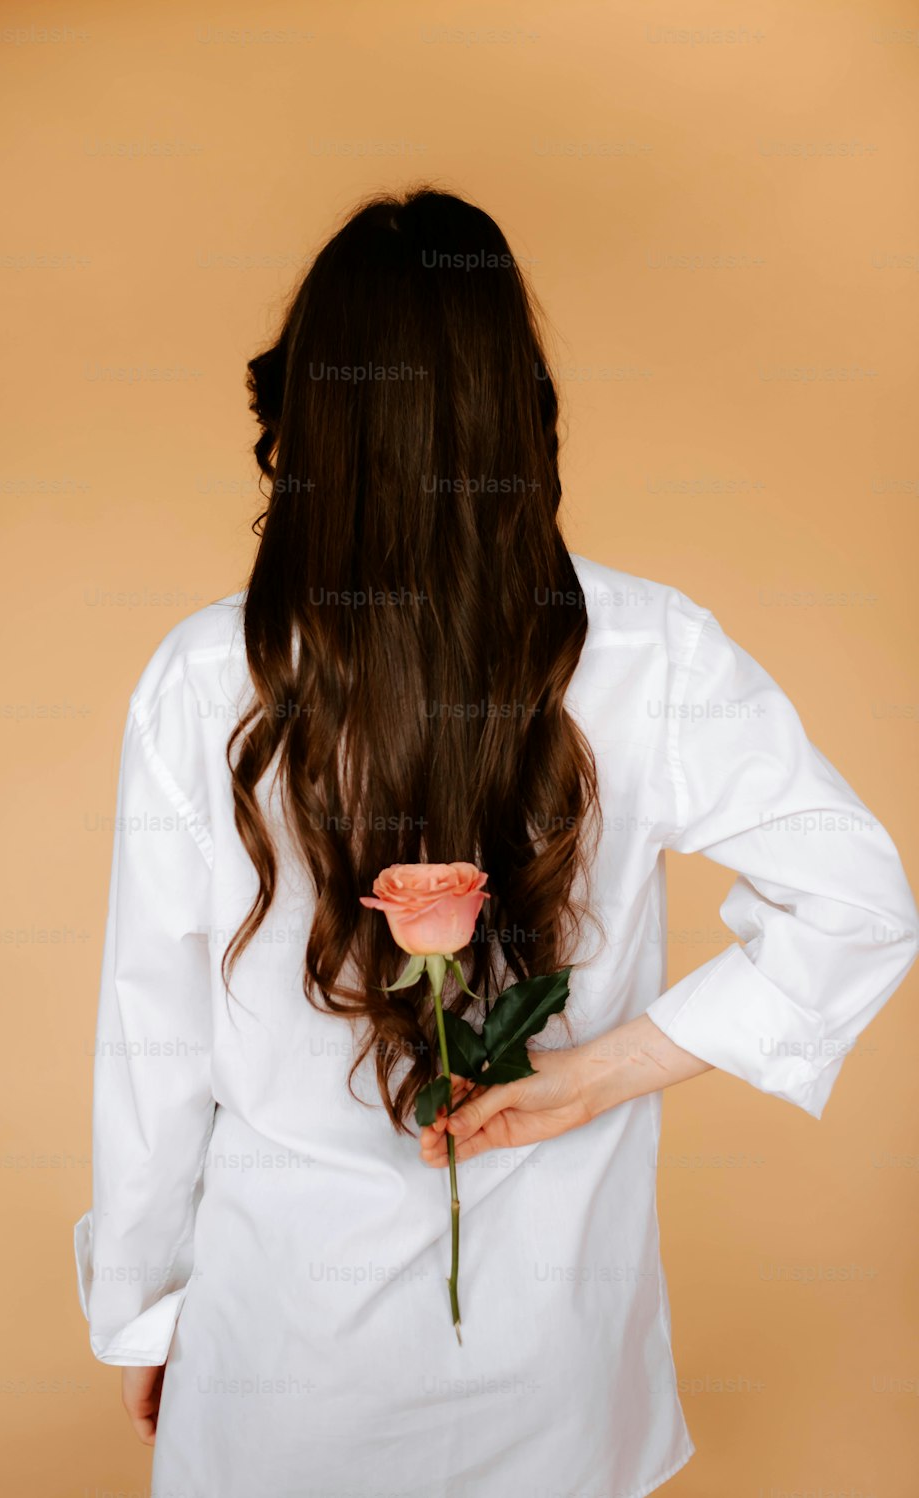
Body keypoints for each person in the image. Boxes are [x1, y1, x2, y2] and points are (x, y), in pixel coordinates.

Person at [73, 186, 917, 1498]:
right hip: (556, 1364)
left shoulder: (201, 680)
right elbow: (858, 901)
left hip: (283, 1355)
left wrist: (146, 1310)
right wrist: (598, 1073)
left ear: (313, 417)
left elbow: (155, 1040)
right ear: (518, 408)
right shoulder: (652, 651)